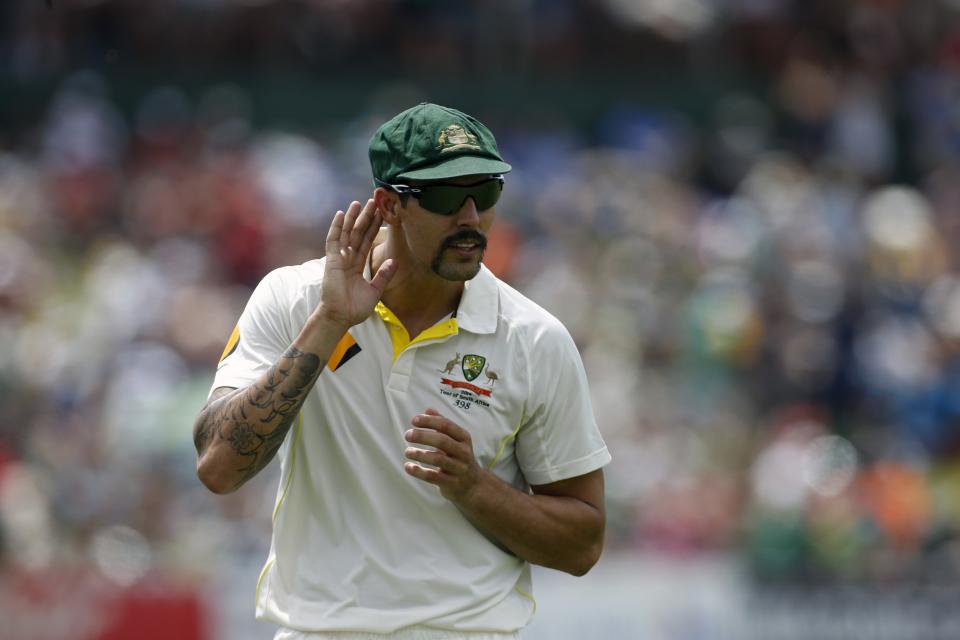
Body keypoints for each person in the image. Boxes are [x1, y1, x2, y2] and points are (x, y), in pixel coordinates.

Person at [192, 102, 611, 640]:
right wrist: (331, 321)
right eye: (443, 197)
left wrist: (473, 486)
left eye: (484, 193)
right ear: (389, 205)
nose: (469, 218)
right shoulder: (295, 300)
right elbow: (219, 469)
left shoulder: (536, 338)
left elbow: (582, 545)